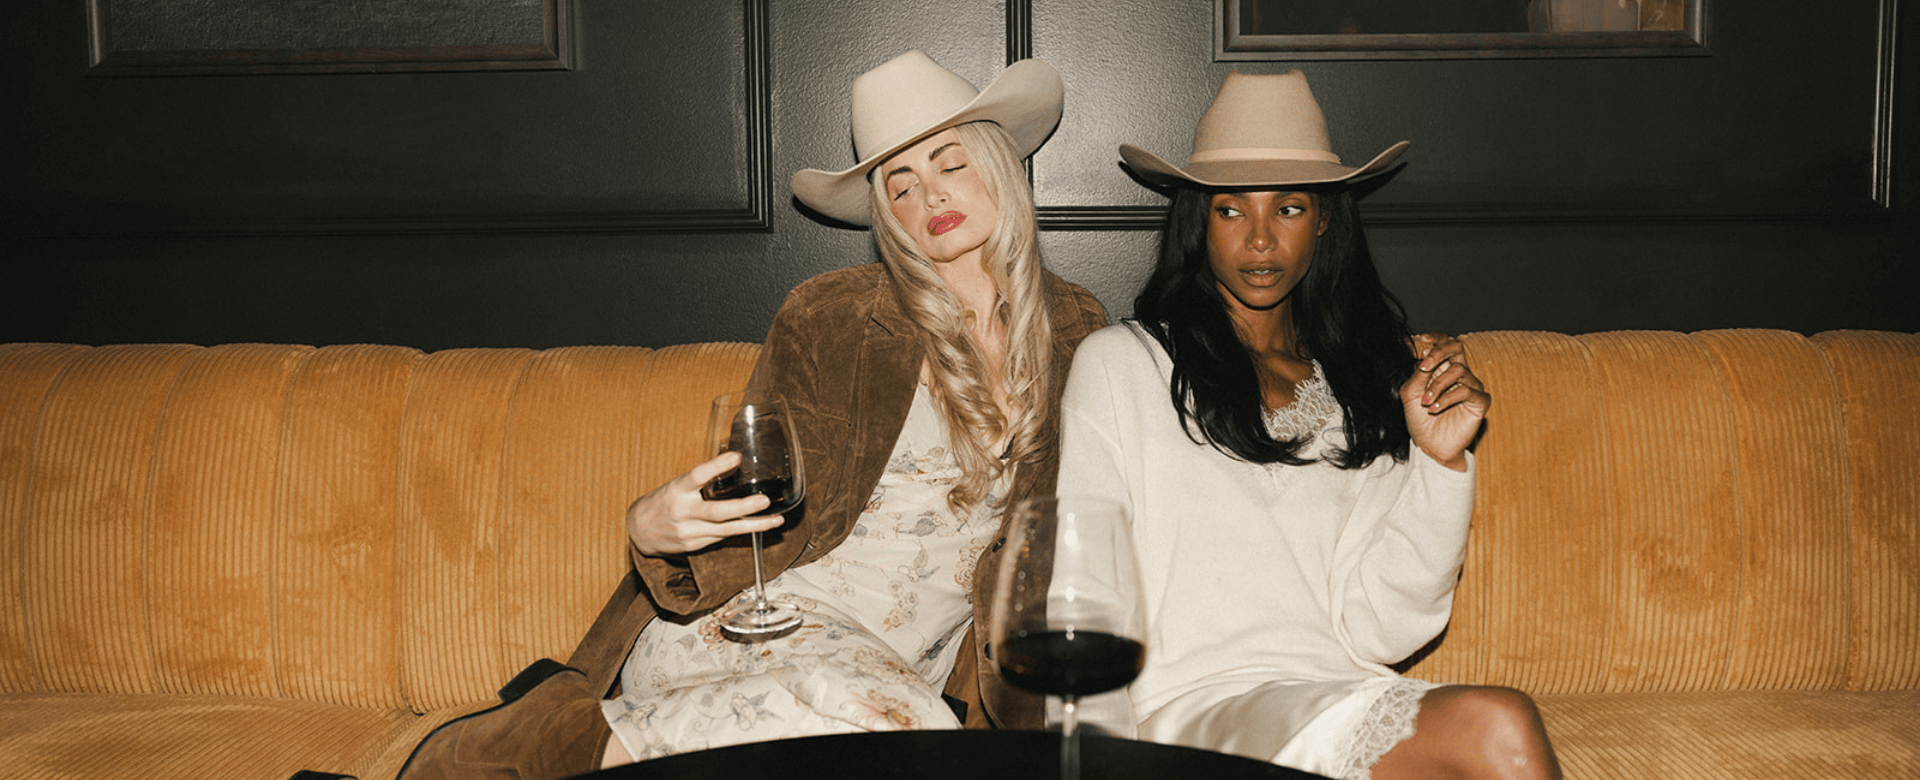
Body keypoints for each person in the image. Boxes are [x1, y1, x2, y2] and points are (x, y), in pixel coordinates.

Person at [397, 50, 1106, 780]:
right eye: (901, 185)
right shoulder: (831, 315)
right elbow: (755, 483)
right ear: (888, 216)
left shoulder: (1077, 330)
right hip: (755, 628)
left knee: (905, 724)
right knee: (916, 729)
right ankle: (537, 749)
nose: (930, 195)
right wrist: (652, 534)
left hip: (894, 672)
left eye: (950, 163)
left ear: (999, 164)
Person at [1056, 71, 1563, 780]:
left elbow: (1380, 631)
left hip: (1336, 694)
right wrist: (1092, 759)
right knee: (1498, 721)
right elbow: (1084, 589)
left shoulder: (1368, 386)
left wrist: (1440, 465)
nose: (1260, 239)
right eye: (1231, 211)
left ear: (1324, 220)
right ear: (1199, 221)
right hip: (1189, 709)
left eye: (1289, 208)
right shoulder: (1122, 365)